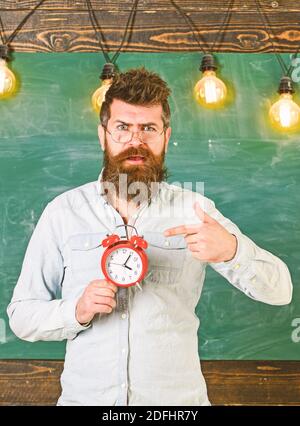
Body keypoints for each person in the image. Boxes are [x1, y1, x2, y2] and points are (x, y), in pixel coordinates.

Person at [7, 68, 293, 406]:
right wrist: (77, 311)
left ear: (166, 135)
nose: (135, 141)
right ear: (103, 135)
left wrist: (232, 250)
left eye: (148, 129)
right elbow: (22, 316)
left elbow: (281, 292)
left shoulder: (195, 209)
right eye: (123, 128)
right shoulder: (63, 212)